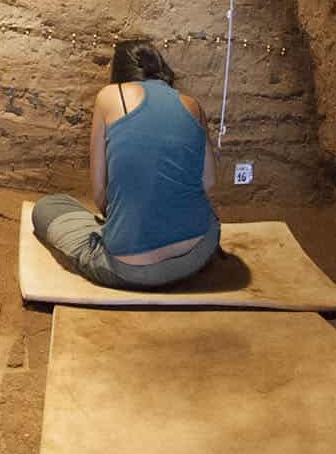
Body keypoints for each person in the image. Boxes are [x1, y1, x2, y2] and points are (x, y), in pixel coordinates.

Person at [30, 40, 220, 289]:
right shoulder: (192, 104)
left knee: (48, 207)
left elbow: (100, 194)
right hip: (198, 253)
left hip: (130, 269)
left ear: (119, 72)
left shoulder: (110, 96)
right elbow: (209, 182)